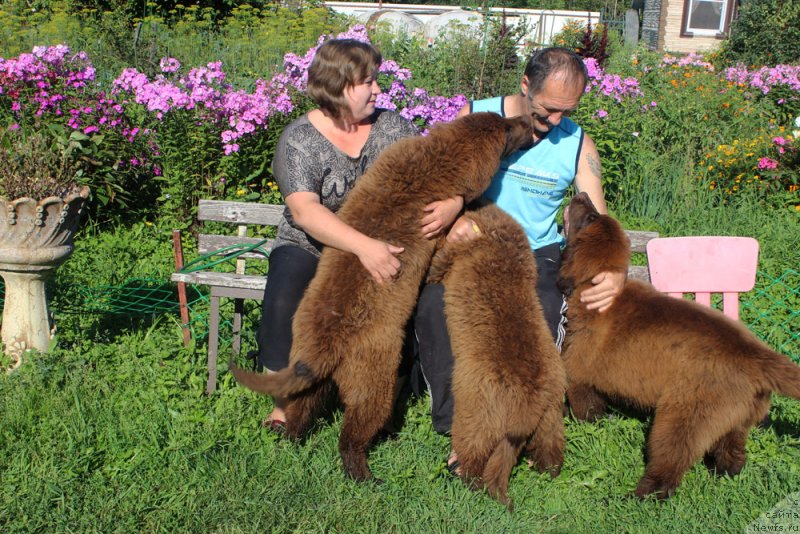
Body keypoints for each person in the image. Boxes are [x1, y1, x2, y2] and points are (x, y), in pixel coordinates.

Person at [412, 47, 626, 471]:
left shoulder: (578, 144)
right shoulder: (477, 115)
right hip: (473, 244)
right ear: (525, 85)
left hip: (536, 252)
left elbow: (598, 221)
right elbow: (433, 176)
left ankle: (520, 424)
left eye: (568, 111)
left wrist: (615, 269)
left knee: (545, 308)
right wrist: (455, 205)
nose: (556, 123)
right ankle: (459, 428)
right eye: (548, 110)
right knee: (435, 308)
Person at [253, 38, 464, 430]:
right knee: (285, 290)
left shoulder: (393, 128)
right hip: (313, 246)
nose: (379, 90)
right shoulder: (298, 140)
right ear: (339, 86)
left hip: (384, 245)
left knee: (407, 300)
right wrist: (364, 247)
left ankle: (383, 400)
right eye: (369, 81)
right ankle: (285, 405)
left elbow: (436, 169)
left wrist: (454, 202)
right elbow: (305, 212)